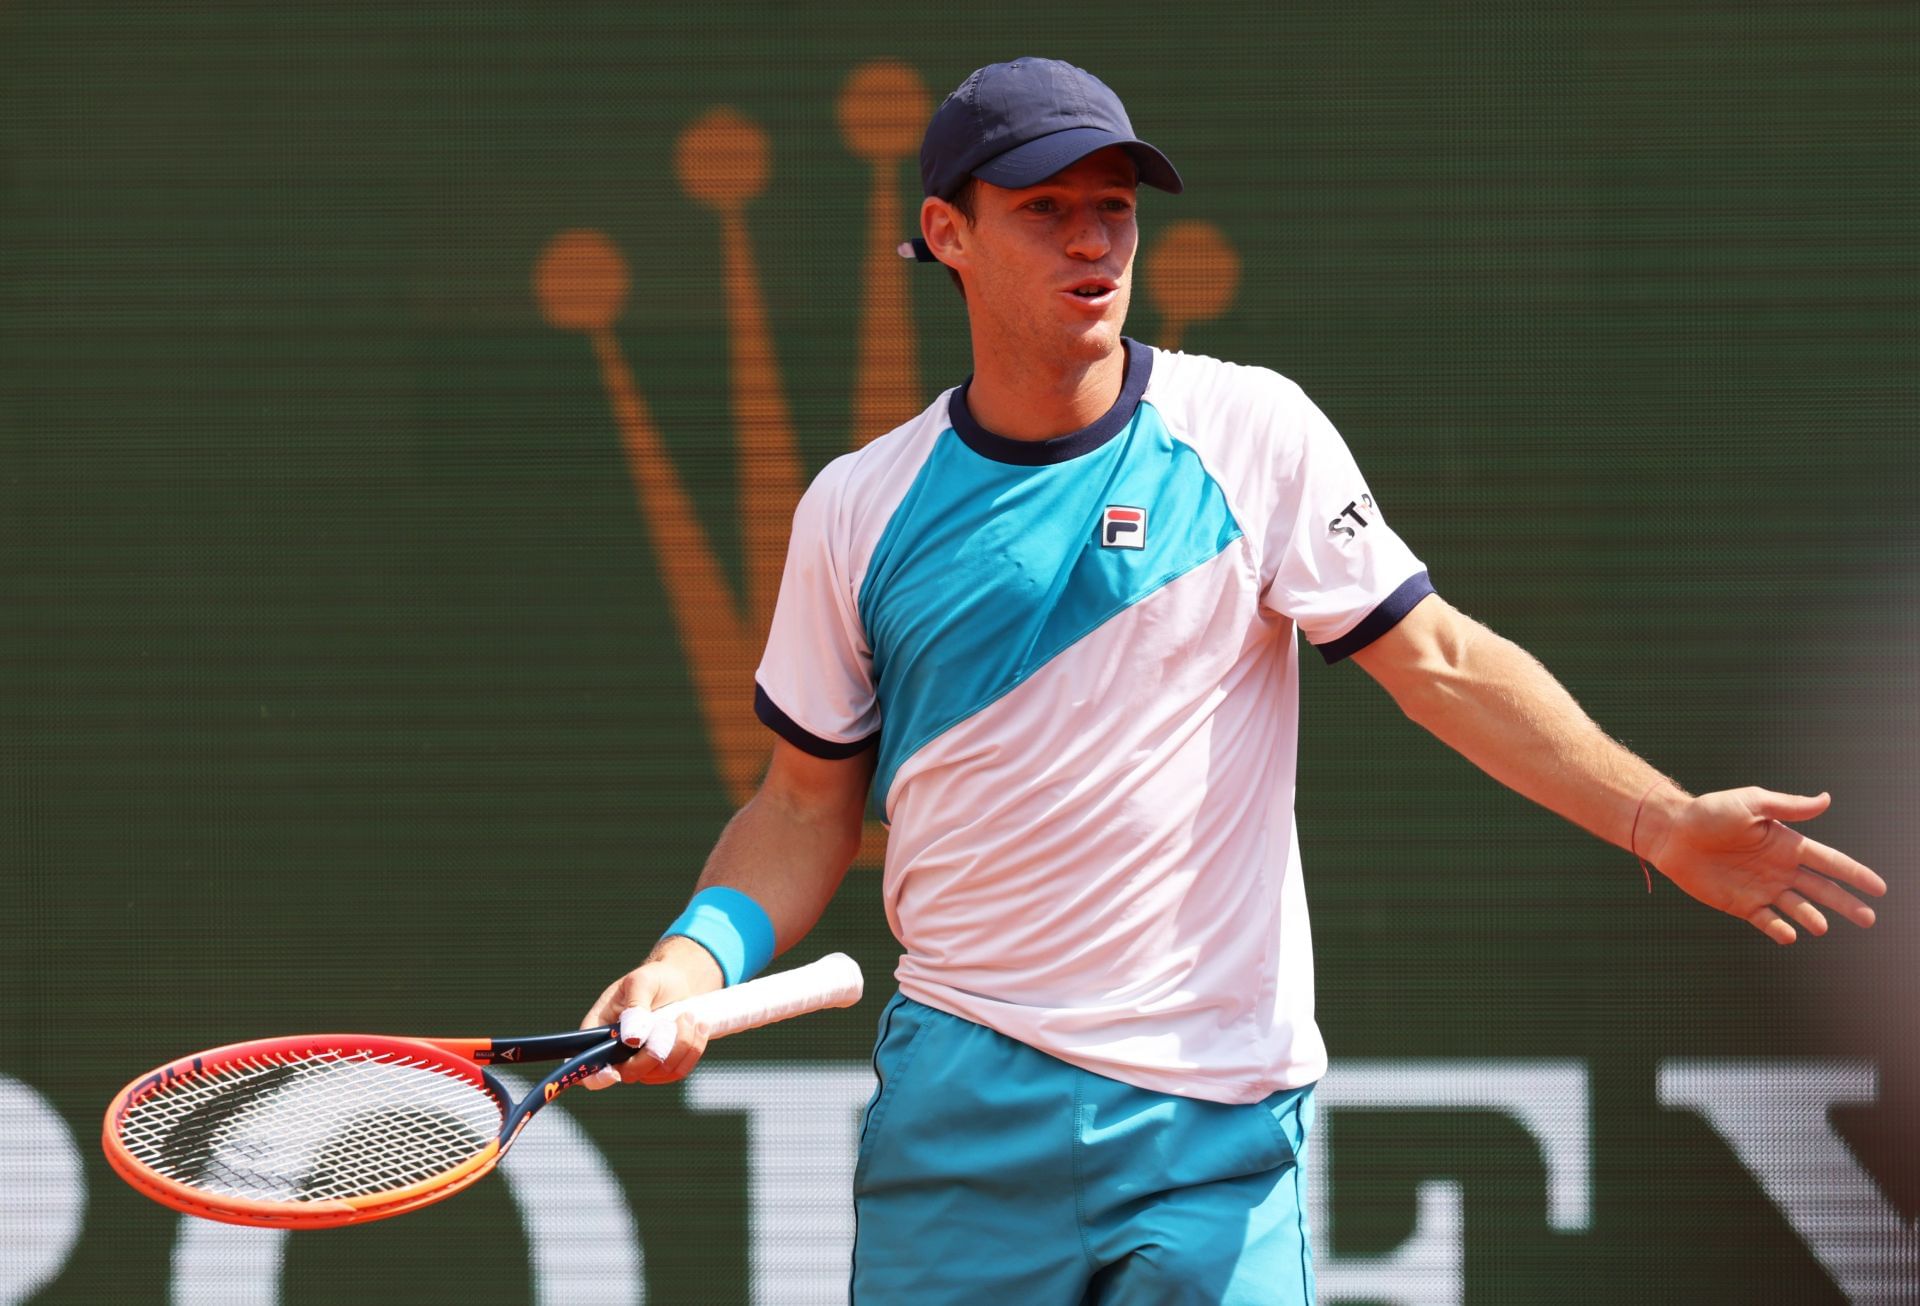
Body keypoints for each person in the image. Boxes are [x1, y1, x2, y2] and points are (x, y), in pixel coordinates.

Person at [581, 57, 1887, 1304]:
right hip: (964, 1105)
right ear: (949, 231)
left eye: (1113, 211)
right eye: (1046, 211)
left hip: (1217, 1114)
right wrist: (690, 963)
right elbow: (805, 808)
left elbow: (1442, 664)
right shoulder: (858, 510)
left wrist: (1659, 817)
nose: (1093, 243)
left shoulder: (1249, 434)